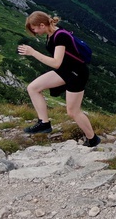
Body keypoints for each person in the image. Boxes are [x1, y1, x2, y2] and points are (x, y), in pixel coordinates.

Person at [17, 11, 101, 147]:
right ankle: (44, 123)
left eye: (34, 29)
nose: (34, 32)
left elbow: (56, 62)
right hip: (66, 71)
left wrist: (33, 53)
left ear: (42, 25)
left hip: (76, 73)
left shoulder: (60, 36)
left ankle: (92, 139)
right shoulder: (52, 33)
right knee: (33, 88)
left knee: (73, 112)